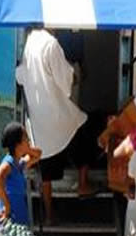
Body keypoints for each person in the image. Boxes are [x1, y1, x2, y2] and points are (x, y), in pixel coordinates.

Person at [16, 28, 98, 223]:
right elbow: (65, 80)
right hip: (57, 115)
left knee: (46, 170)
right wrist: (75, 78)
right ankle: (83, 184)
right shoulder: (51, 44)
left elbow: (20, 75)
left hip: (38, 119)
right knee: (84, 126)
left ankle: (49, 215)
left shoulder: (29, 42)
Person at [0, 122, 42, 225]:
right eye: (26, 138)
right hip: (10, 218)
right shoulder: (9, 163)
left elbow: (38, 155)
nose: (28, 140)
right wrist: (7, 205)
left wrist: (26, 148)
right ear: (18, 143)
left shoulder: (19, 163)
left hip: (20, 216)